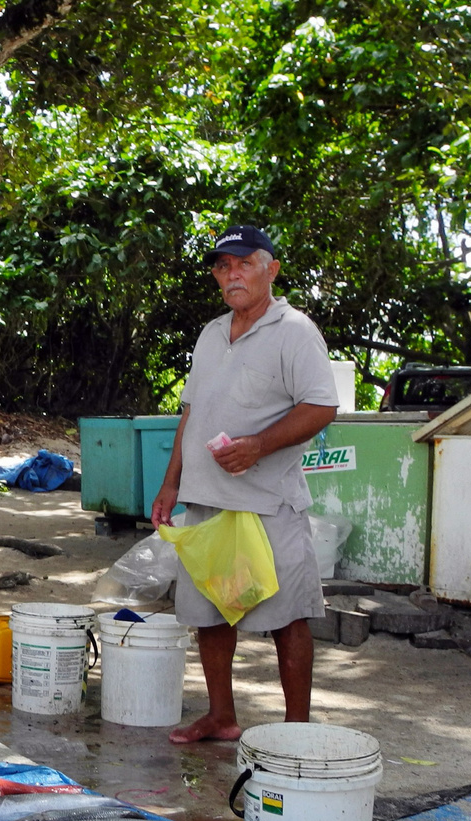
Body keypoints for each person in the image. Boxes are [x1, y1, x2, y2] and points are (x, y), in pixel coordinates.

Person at [151, 225, 339, 744]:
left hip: (267, 502)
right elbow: (190, 413)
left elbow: (321, 406)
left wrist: (259, 445)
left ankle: (297, 730)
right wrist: (172, 483)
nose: (232, 274)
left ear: (270, 269)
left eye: (244, 263)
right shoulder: (212, 333)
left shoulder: (295, 330)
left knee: (288, 615)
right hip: (207, 500)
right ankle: (221, 716)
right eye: (222, 266)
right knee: (210, 612)